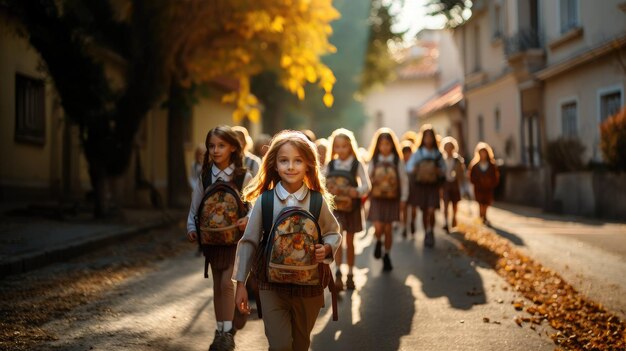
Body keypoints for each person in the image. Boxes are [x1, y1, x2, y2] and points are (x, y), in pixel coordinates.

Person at [233, 130, 341, 351]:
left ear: (308, 165)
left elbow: (333, 232)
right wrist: (241, 284)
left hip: (309, 286)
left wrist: (328, 248)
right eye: (284, 161)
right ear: (274, 165)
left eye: (297, 161)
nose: (290, 166)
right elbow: (249, 242)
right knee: (280, 345)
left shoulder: (317, 201)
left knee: (301, 344)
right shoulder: (265, 201)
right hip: (271, 285)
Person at [186, 126, 253, 351]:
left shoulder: (243, 176)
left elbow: (255, 207)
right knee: (217, 285)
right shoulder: (205, 176)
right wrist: (191, 227)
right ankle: (222, 330)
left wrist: (248, 219)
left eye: (221, 145)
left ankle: (228, 331)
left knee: (227, 282)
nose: (215, 150)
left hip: (237, 239)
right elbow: (195, 207)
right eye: (211, 146)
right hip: (212, 240)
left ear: (233, 147)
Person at [324, 128, 371, 290]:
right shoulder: (330, 165)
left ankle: (350, 274)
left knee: (350, 241)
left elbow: (366, 185)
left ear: (350, 147)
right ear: (333, 148)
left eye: (344, 146)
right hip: (335, 208)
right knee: (338, 241)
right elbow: (322, 183)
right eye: (337, 146)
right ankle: (338, 273)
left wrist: (356, 192)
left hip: (352, 208)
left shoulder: (357, 164)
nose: (341, 150)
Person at [367, 128, 408, 271]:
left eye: (387, 144)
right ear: (378, 145)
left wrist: (403, 198)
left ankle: (387, 254)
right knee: (378, 227)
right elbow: (368, 178)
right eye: (382, 144)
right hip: (377, 198)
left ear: (392, 145)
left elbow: (403, 180)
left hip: (392, 198)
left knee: (388, 228)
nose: (385, 147)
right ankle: (378, 240)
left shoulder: (397, 160)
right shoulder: (374, 160)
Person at [406, 124, 445, 248]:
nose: (428, 140)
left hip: (433, 186)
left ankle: (431, 230)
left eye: (430, 137)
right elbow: (409, 167)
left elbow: (444, 169)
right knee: (424, 211)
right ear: (422, 138)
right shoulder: (418, 153)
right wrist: (416, 169)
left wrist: (438, 171)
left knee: (432, 209)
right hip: (421, 186)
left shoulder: (437, 154)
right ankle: (426, 232)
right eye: (426, 137)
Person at [468, 142, 500, 226]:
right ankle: (481, 216)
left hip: (488, 188)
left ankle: (484, 216)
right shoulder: (475, 165)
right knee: (480, 202)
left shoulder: (492, 165)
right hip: (478, 188)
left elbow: (495, 177)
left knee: (486, 202)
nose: (483, 155)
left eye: (484, 153)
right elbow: (471, 177)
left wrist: (489, 182)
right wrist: (479, 181)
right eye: (481, 153)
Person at [440, 136, 466, 233]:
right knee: (445, 204)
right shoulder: (441, 160)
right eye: (447, 147)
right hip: (445, 184)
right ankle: (446, 222)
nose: (448, 149)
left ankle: (454, 218)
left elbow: (462, 173)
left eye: (450, 147)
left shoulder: (457, 160)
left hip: (455, 184)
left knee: (455, 203)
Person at [400, 140, 417, 238]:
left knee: (414, 209)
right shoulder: (401, 163)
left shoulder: (414, 162)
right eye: (404, 153)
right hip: (404, 188)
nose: (406, 155)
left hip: (414, 188)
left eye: (408, 153)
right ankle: (405, 227)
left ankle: (412, 222)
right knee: (404, 209)